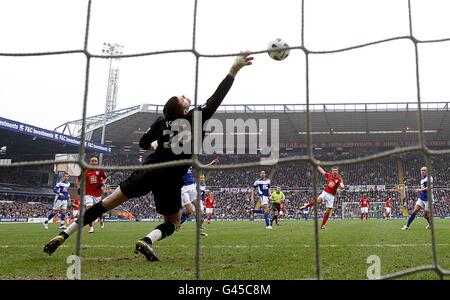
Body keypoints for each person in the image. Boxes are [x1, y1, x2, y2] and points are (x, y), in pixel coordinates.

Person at [43, 52, 254, 261]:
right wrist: (234, 69)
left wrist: (154, 144)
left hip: (148, 169)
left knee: (105, 204)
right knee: (173, 223)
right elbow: (216, 98)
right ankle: (147, 240)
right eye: (182, 99)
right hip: (170, 178)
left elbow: (143, 142)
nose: (183, 95)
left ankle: (63, 234)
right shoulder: (193, 119)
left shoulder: (161, 122)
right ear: (183, 111)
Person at [179, 159, 219, 237]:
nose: (202, 179)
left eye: (202, 178)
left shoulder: (203, 184)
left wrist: (211, 163)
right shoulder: (179, 163)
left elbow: (202, 167)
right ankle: (177, 222)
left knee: (198, 214)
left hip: (194, 192)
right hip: (184, 189)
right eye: (200, 178)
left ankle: (198, 230)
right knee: (191, 212)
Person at [300, 164, 345, 229]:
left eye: (336, 171)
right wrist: (317, 165)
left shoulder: (339, 178)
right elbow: (322, 171)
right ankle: (306, 206)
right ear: (331, 171)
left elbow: (341, 184)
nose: (334, 172)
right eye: (333, 170)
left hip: (331, 196)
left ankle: (322, 225)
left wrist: (342, 187)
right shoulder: (329, 175)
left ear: (338, 171)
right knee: (317, 200)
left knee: (328, 211)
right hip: (325, 192)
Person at [76, 156, 108, 233]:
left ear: (97, 162)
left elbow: (105, 178)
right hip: (88, 193)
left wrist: (102, 183)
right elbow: (78, 179)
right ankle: (91, 227)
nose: (94, 162)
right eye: (92, 161)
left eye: (95, 161)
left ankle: (101, 219)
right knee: (89, 209)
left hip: (97, 193)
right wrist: (78, 188)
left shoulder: (100, 170)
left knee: (98, 210)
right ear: (89, 162)